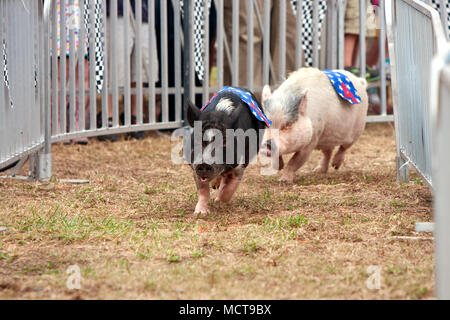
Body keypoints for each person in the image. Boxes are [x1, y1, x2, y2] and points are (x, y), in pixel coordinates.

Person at [99, 0, 160, 141]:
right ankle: (109, 118)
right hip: (116, 11)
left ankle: (135, 117)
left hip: (143, 12)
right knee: (114, 67)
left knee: (141, 69)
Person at [56, 0, 90, 145]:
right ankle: (58, 126)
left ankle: (78, 125)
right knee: (60, 75)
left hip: (83, 19)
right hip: (59, 18)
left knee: (82, 75)